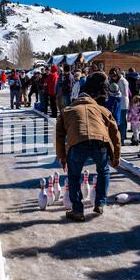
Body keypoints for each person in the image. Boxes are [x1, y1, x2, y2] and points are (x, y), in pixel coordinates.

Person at [56, 72, 121, 222]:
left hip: (77, 143)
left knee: (74, 175)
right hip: (100, 143)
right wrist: (116, 156)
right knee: (103, 170)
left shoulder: (67, 111)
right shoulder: (102, 110)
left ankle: (78, 211)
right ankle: (100, 204)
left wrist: (62, 157)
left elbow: (59, 136)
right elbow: (115, 133)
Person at [109, 68, 130, 146]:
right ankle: (120, 137)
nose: (113, 77)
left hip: (123, 103)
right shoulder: (117, 81)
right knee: (120, 121)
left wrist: (116, 92)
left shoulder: (123, 81)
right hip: (119, 103)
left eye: (114, 76)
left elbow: (124, 93)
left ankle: (122, 139)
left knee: (122, 122)